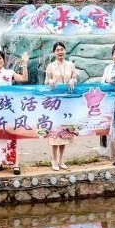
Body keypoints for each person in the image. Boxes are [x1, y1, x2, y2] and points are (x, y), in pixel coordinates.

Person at [0, 49, 26, 174]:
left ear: (4, 60)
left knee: (11, 135)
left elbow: (23, 79)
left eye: (0, 58)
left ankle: (15, 164)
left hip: (9, 109)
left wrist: (24, 64)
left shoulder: (9, 73)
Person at [42, 41, 80, 171]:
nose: (60, 52)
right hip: (55, 103)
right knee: (54, 132)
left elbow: (75, 79)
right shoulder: (50, 66)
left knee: (65, 132)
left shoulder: (71, 65)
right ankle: (53, 159)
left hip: (68, 102)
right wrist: (50, 81)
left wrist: (72, 80)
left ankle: (61, 159)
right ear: (54, 52)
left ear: (65, 51)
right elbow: (45, 82)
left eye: (62, 49)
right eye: (57, 50)